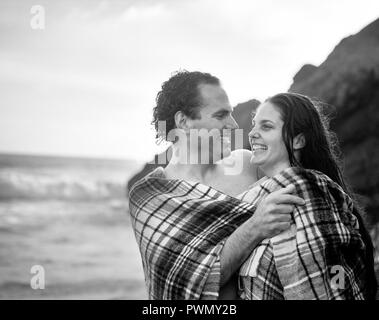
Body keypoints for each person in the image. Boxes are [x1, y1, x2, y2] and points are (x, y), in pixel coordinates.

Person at [128, 71, 304, 299]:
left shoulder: (247, 164)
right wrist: (255, 226)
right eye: (221, 115)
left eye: (230, 115)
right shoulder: (150, 196)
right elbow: (190, 279)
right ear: (184, 122)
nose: (232, 124)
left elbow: (300, 189)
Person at [236, 92, 377, 299]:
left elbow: (326, 288)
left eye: (266, 126)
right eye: (254, 124)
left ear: (298, 141)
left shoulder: (306, 190)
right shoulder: (257, 198)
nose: (252, 133)